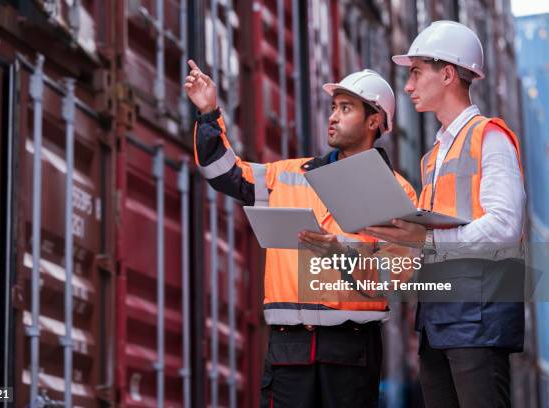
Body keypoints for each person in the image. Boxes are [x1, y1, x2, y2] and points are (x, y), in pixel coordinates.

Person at [185, 59, 417, 407]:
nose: (333, 117)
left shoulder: (397, 192)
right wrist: (208, 113)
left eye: (346, 108)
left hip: (351, 349)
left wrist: (340, 251)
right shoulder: (289, 174)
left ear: (374, 121)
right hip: (288, 349)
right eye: (333, 107)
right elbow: (223, 173)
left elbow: (401, 272)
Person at [362, 20, 526, 408]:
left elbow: (505, 224)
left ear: (448, 73)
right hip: (438, 323)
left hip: (479, 321)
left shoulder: (490, 137)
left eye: (416, 72)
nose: (408, 86)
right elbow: (430, 243)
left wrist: (427, 241)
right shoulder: (433, 158)